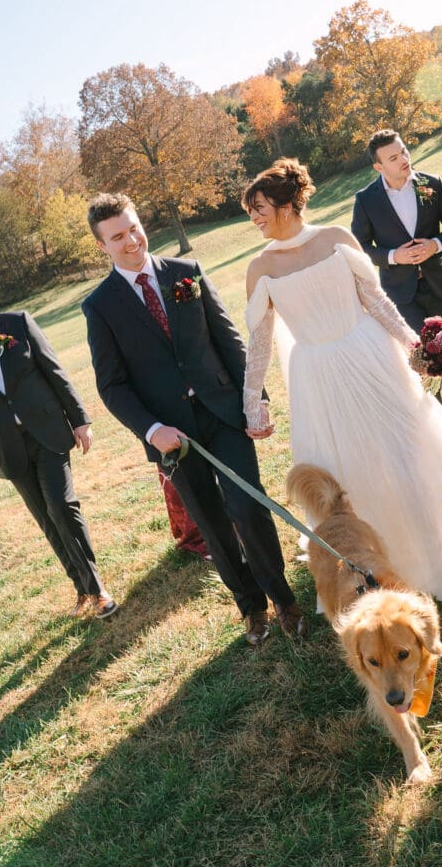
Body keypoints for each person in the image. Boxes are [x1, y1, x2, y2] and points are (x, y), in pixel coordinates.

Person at [242, 158, 442, 616]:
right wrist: (253, 404)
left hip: (371, 360)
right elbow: (260, 344)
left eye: (260, 208)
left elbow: (378, 303)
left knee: (410, 462)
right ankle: (374, 583)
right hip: (317, 381)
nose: (255, 219)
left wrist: (419, 347)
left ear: (289, 205)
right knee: (345, 481)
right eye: (251, 212)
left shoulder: (336, 240)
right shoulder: (259, 268)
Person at [82, 193, 305, 645]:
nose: (131, 241)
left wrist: (253, 400)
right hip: (174, 437)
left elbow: (229, 343)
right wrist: (151, 430)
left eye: (134, 227)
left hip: (224, 413)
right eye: (118, 236)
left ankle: (284, 599)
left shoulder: (187, 274)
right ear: (102, 246)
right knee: (212, 522)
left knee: (248, 507)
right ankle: (251, 608)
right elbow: (112, 385)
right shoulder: (99, 306)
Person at [0, 271, 117, 620]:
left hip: (48, 432)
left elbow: (54, 370)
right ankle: (80, 586)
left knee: (62, 507)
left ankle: (97, 589)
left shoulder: (17, 324)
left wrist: (80, 419)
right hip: (7, 448)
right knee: (47, 520)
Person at [351, 129, 442, 427]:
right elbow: (359, 247)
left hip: (439, 286)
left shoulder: (431, 184)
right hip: (400, 295)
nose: (404, 159)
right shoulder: (366, 200)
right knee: (423, 361)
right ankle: (437, 426)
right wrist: (393, 256)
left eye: (403, 151)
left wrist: (436, 245)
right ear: (379, 167)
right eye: (394, 157)